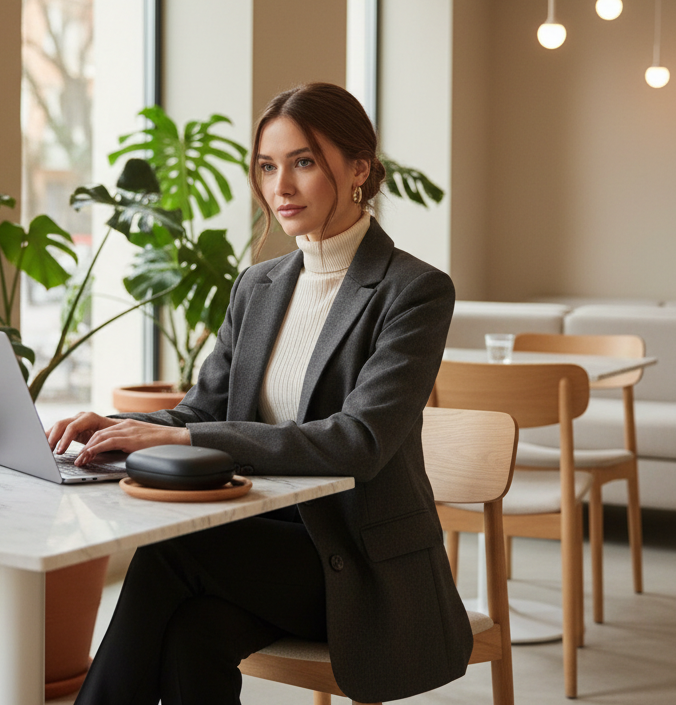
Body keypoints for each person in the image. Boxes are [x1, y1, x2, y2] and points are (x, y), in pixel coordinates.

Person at [47, 82, 470, 705]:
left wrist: (183, 436)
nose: (281, 188)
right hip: (260, 542)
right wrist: (110, 428)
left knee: (171, 553)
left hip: (357, 566)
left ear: (359, 168)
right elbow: (202, 410)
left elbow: (360, 442)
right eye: (268, 167)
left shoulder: (413, 291)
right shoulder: (259, 285)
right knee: (195, 634)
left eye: (303, 162)